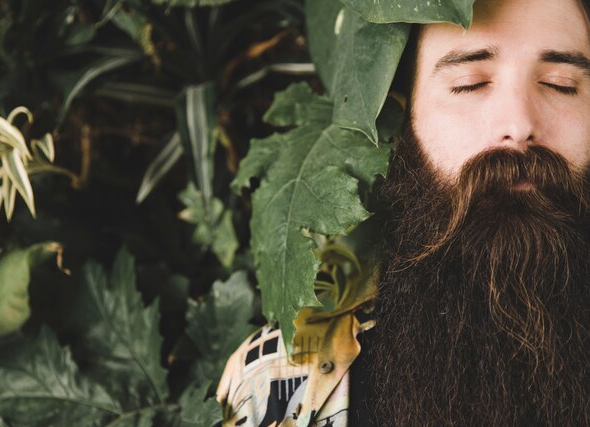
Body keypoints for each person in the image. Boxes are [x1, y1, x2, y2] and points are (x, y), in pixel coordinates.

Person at [217, 0, 590, 425]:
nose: (519, 123)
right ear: (402, 118)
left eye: (561, 84)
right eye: (470, 83)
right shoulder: (278, 386)